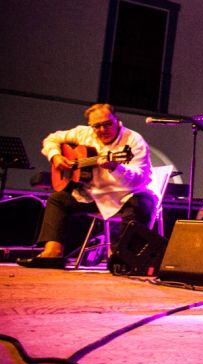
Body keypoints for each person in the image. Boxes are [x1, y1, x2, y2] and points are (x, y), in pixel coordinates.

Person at [17, 104, 155, 268]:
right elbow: (52, 139)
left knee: (141, 204)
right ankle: (53, 253)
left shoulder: (133, 140)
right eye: (97, 126)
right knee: (57, 199)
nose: (102, 129)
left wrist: (115, 168)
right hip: (93, 195)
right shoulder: (83, 133)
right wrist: (56, 157)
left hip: (124, 196)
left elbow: (139, 178)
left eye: (107, 124)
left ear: (117, 121)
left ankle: (123, 258)